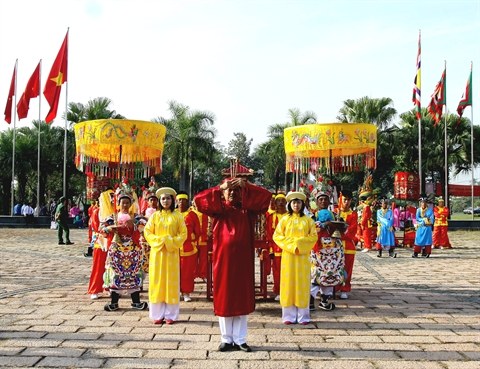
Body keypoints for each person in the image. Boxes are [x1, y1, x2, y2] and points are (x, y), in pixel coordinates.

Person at [194, 177, 271, 353]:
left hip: (243, 262)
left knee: (242, 298)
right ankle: (226, 339)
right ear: (223, 193)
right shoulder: (218, 209)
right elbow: (198, 201)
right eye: (229, 190)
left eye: (236, 191)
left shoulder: (248, 210)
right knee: (224, 298)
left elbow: (266, 197)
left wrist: (248, 186)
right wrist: (219, 186)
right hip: (223, 262)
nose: (232, 193)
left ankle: (240, 339)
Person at [144, 187, 187, 325]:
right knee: (157, 282)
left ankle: (171, 315)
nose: (166, 201)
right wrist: (160, 241)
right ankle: (157, 314)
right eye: (163, 198)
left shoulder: (178, 216)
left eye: (168, 198)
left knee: (171, 282)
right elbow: (147, 232)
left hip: (172, 253)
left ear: (172, 200)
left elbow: (183, 234)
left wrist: (170, 241)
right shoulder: (155, 216)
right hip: (157, 253)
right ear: (159, 201)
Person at [273, 191, 317, 325]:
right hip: (288, 256)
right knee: (288, 283)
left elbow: (313, 237)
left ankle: (304, 316)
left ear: (302, 204)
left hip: (303, 257)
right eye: (293, 202)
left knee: (302, 283)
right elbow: (277, 236)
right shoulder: (285, 220)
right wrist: (293, 246)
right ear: (289, 204)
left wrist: (300, 245)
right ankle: (288, 316)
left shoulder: (308, 220)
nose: (296, 205)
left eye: (298, 202)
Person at [102, 190, 148, 311]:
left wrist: (134, 223)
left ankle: (136, 301)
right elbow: (102, 229)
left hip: (133, 250)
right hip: (117, 250)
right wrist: (111, 228)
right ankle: (114, 302)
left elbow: (146, 225)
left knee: (134, 274)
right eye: (123, 203)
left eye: (128, 203)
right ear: (118, 203)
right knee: (116, 274)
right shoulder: (113, 217)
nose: (125, 205)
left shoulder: (136, 217)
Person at [310, 190, 346, 311]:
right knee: (316, 274)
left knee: (331, 274)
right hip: (318, 249)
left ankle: (324, 300)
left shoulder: (334, 214)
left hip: (333, 251)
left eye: (325, 199)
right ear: (316, 202)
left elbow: (342, 230)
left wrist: (339, 224)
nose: (323, 201)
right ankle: (310, 300)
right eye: (321, 199)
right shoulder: (312, 216)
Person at [87, 190, 113, 299]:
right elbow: (95, 226)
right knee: (98, 267)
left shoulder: (114, 211)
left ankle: (110, 287)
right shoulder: (97, 211)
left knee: (112, 267)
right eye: (110, 197)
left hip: (112, 241)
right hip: (101, 242)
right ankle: (95, 289)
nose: (112, 199)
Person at [176, 191, 201, 302]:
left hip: (188, 249)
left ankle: (186, 292)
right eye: (179, 200)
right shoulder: (173, 214)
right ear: (176, 201)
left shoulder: (192, 215)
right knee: (175, 272)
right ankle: (175, 292)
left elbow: (198, 232)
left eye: (184, 200)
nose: (181, 202)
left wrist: (190, 238)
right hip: (174, 249)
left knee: (187, 272)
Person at [265, 193, 288, 301]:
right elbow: (269, 233)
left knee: (288, 271)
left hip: (288, 248)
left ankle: (288, 291)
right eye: (278, 201)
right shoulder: (271, 216)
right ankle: (278, 291)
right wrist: (270, 248)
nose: (281, 203)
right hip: (276, 248)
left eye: (283, 201)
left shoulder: (289, 216)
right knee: (277, 271)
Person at [336, 190, 358, 299]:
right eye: (344, 199)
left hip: (348, 245)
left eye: (349, 200)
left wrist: (341, 232)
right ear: (340, 200)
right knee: (334, 267)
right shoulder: (335, 212)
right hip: (334, 245)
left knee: (347, 268)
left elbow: (353, 229)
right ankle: (333, 287)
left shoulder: (353, 214)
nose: (346, 202)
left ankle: (345, 288)